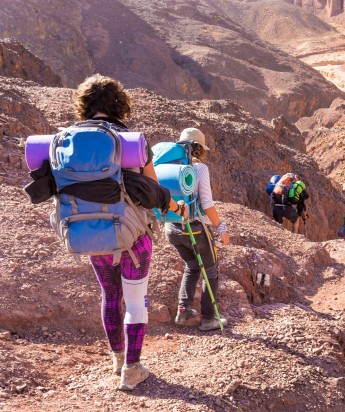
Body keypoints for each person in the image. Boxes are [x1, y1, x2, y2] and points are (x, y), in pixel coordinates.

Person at [73, 74, 185, 391]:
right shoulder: (130, 141)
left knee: (110, 296)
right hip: (132, 237)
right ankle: (133, 370)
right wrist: (176, 209)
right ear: (118, 104)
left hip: (91, 234)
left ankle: (117, 360)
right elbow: (154, 188)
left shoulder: (68, 141)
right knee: (135, 302)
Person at [166, 128, 231, 332]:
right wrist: (222, 228)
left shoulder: (168, 167)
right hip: (194, 228)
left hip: (171, 228)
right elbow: (207, 203)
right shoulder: (199, 168)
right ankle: (208, 318)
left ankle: (183, 311)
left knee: (192, 267)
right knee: (210, 270)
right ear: (199, 148)